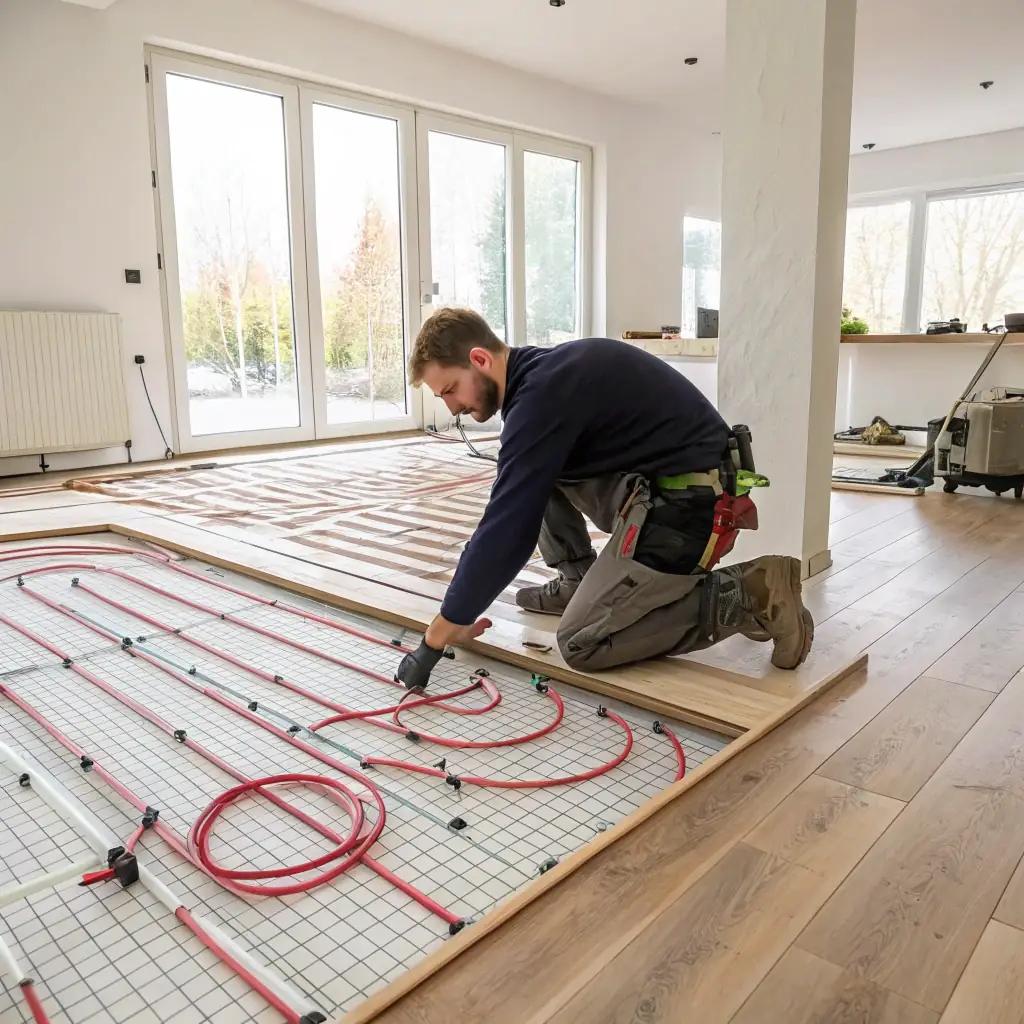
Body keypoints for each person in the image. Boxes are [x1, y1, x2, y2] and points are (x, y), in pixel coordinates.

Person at [395, 307, 813, 689]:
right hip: (665, 488)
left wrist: (436, 637)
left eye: (450, 390)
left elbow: (506, 531)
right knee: (531, 471)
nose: (453, 407)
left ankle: (751, 593)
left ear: (480, 360)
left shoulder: (542, 397)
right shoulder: (545, 379)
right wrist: (461, 613)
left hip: (693, 509)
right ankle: (578, 582)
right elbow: (517, 495)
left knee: (582, 642)